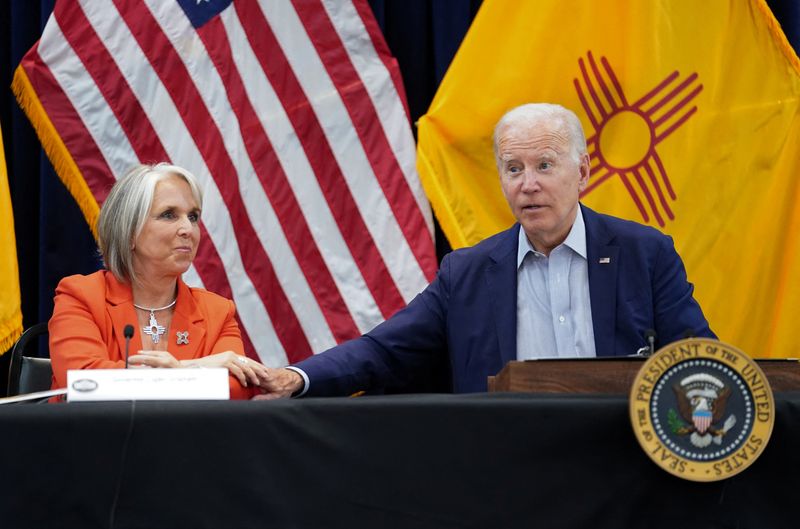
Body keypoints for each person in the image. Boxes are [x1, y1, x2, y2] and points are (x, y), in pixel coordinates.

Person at [256, 103, 715, 399]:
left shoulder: (644, 254)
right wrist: (299, 378)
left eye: (544, 165)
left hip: (623, 470)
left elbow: (699, 362)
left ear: (583, 171)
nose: (528, 184)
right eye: (513, 168)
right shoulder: (467, 273)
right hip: (507, 474)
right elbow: (384, 351)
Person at [49, 163, 268, 399]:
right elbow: (84, 381)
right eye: (169, 215)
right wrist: (190, 370)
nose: (188, 229)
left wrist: (179, 371)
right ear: (130, 231)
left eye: (193, 217)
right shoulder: (81, 296)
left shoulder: (218, 311)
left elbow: (237, 389)